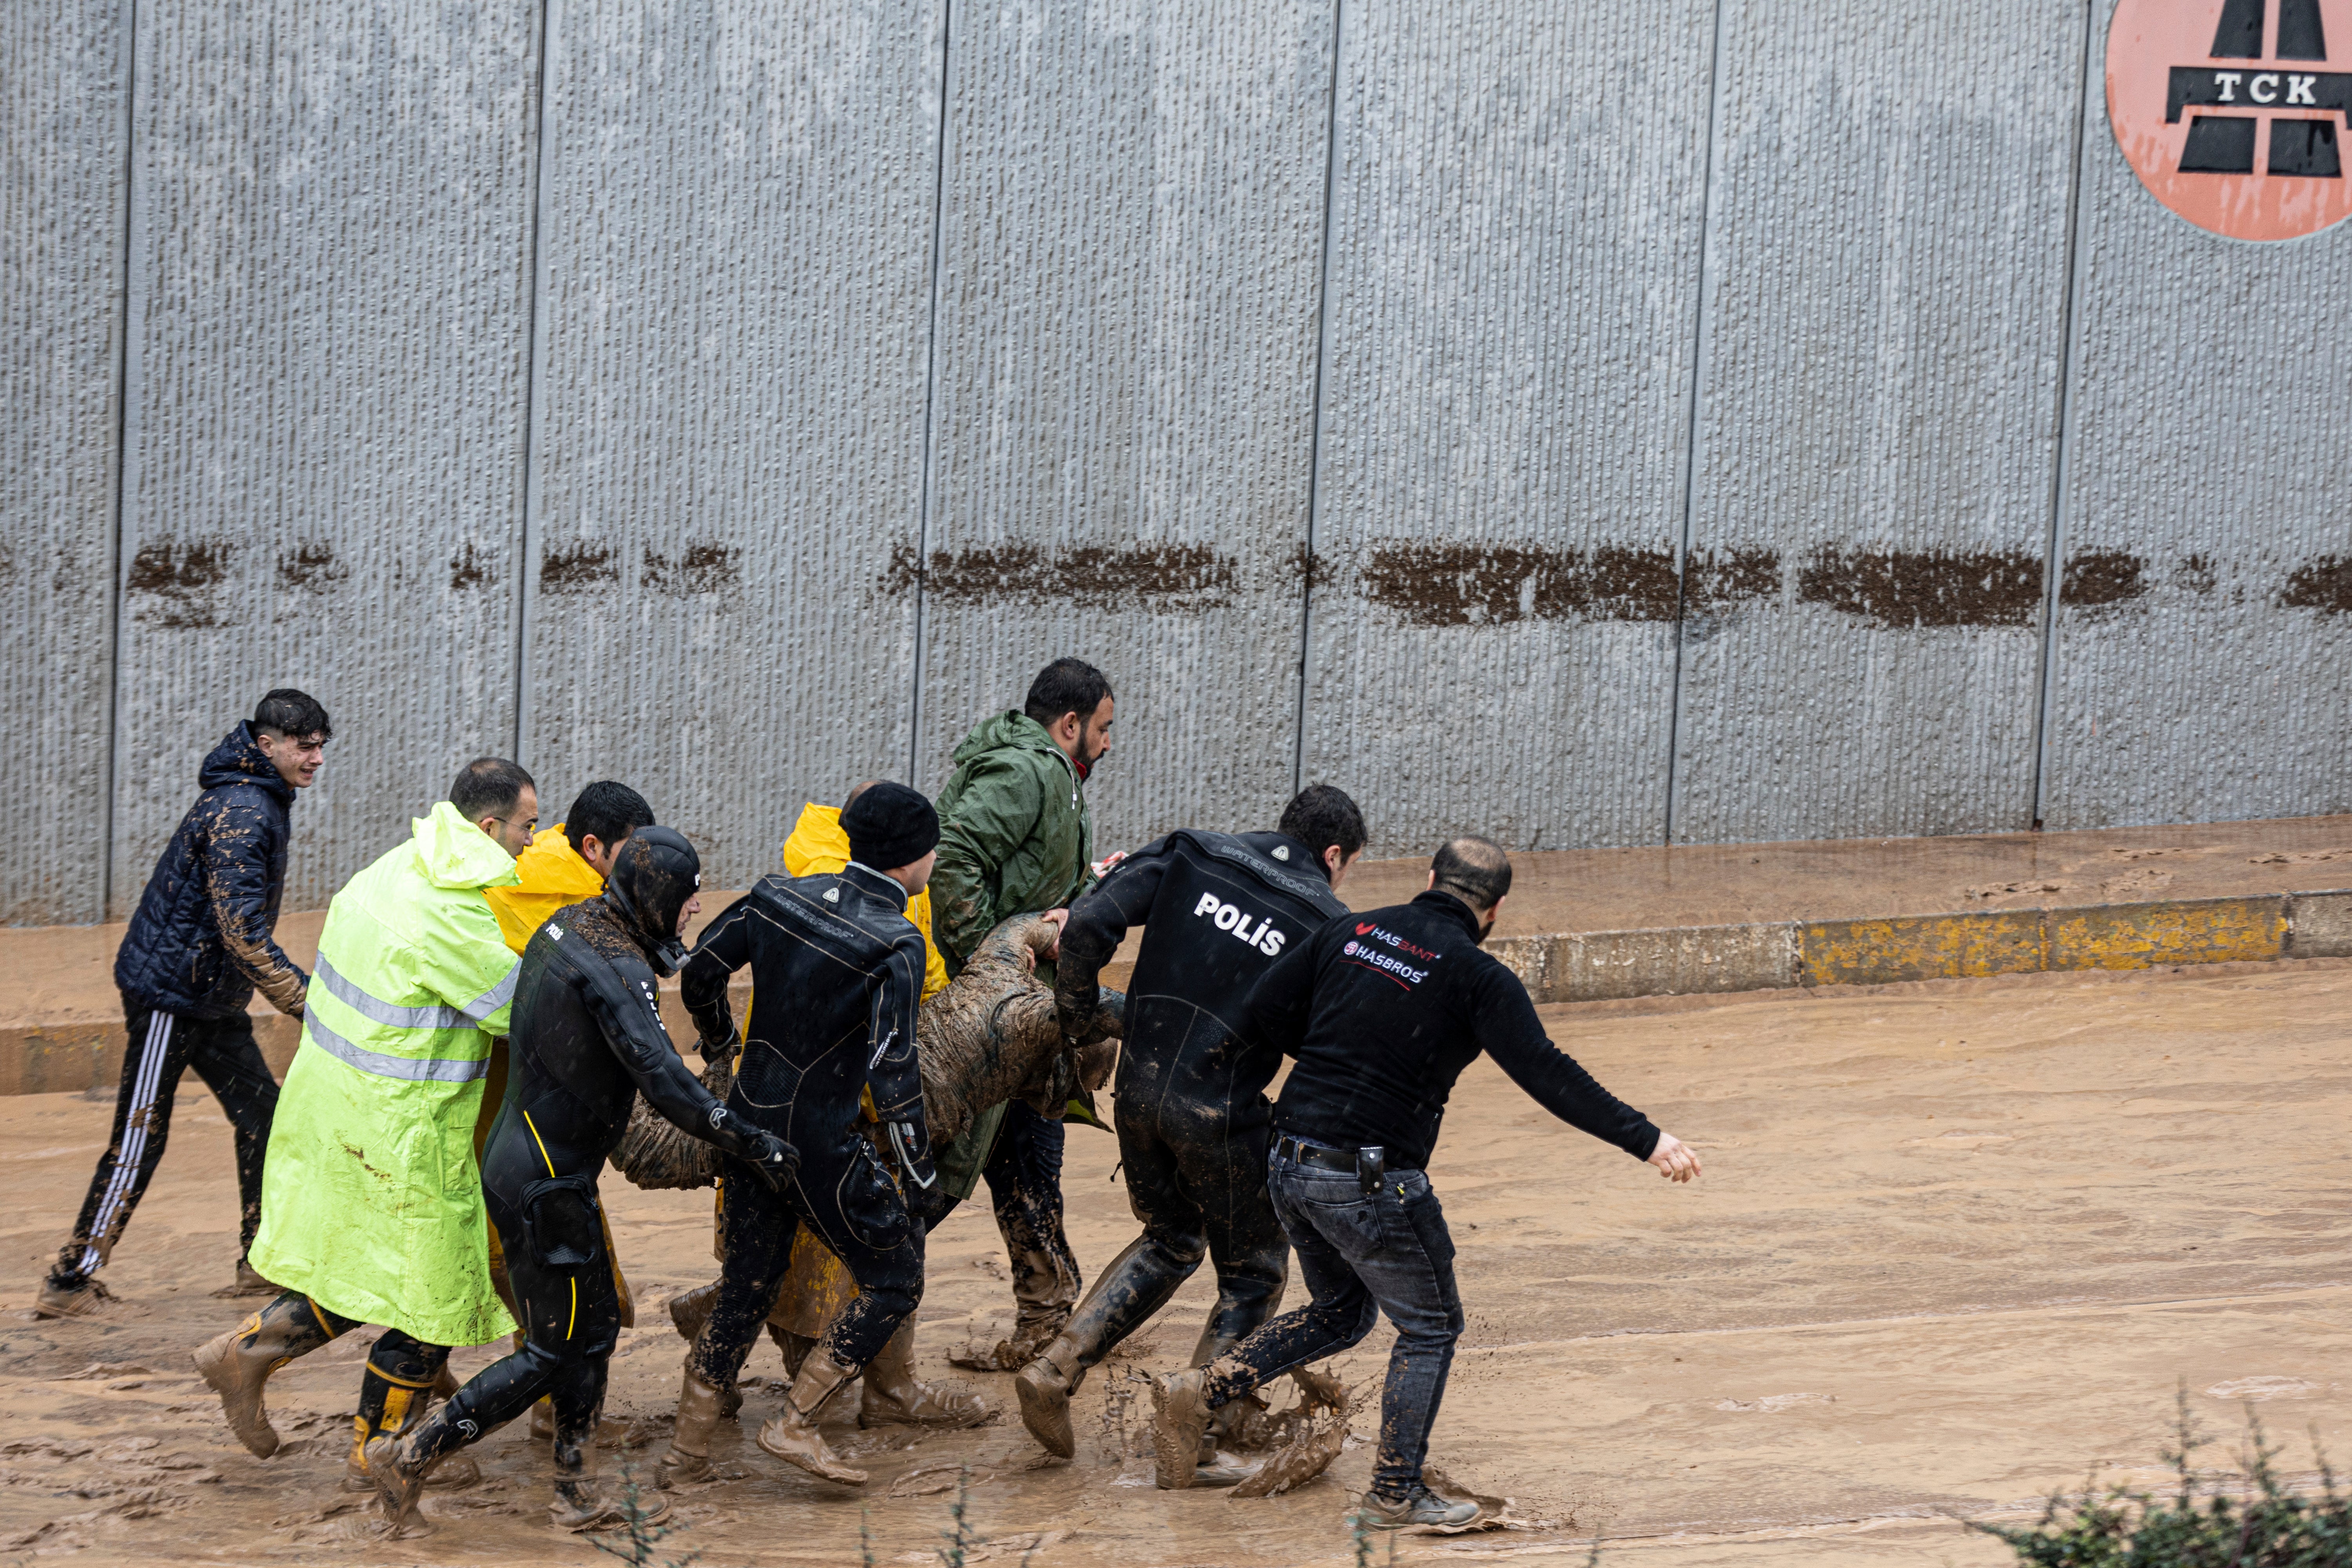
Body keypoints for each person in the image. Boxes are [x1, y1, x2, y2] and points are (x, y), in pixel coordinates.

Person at [1150, 837, 1704, 1528]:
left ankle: (1202, 1391)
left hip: (1288, 1159)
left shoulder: (1350, 930)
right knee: (1432, 1326)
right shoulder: (1477, 976)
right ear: (1496, 909)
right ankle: (1394, 1492)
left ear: (1430, 878)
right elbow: (1548, 1073)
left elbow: (1264, 1009)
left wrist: (1340, 1057)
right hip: (1365, 1177)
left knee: (1342, 1313)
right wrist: (1648, 1139)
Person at [364, 829, 793, 1533]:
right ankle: (411, 1454)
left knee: (591, 1334)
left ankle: (573, 1489)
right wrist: (748, 1140)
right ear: (657, 897)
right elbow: (663, 1081)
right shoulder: (614, 968)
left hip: (533, 1166)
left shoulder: (565, 926)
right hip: (544, 1185)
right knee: (550, 1351)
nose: (690, 914)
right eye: (687, 901)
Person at [192, 759, 541, 1491]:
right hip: (402, 1128)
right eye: (528, 827)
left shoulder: (397, 866)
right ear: (488, 827)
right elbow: (523, 1010)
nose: (533, 842)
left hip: (336, 1111)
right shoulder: (454, 911)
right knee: (435, 1294)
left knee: (364, 1271)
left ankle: (247, 1352)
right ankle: (379, 1452)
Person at [1014, 784, 1367, 1471]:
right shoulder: (1328, 922)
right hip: (1221, 1112)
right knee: (1254, 1272)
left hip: (1138, 1093)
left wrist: (1080, 1015)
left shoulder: (1192, 851)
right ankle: (1203, 1439)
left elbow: (1086, 926)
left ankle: (1054, 1370)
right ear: (1333, 856)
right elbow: (1329, 1052)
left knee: (1172, 1239)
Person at [664, 781, 976, 1431]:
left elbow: (699, 973)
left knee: (750, 1282)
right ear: (913, 860)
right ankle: (797, 1421)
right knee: (896, 1278)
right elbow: (894, 1073)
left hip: (750, 1125)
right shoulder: (897, 941)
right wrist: (919, 1175)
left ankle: (686, 1452)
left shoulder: (779, 893)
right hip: (822, 1144)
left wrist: (722, 1041)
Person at [39, 690, 330, 1317]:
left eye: (321, 746)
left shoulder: (260, 798)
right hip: (170, 994)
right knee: (142, 1135)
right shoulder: (245, 810)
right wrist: (311, 1005)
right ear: (266, 745)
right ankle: (71, 1280)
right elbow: (242, 932)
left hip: (212, 996)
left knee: (266, 1121)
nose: (316, 758)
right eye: (305, 746)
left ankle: (260, 1263)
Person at [927, 657, 1114, 1369]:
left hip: (1025, 1008)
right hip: (995, 1008)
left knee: (1025, 1153)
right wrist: (993, 961)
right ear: (1069, 725)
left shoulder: (1051, 776)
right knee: (949, 1174)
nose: (1106, 743)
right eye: (1101, 728)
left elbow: (1029, 872)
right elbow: (955, 858)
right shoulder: (1027, 771)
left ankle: (1050, 1318)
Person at [482, 781, 659, 1434]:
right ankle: (558, 1434)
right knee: (571, 1290)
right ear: (593, 847)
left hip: (500, 1111)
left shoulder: (532, 870)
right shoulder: (575, 902)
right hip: (526, 1118)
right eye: (633, 859)